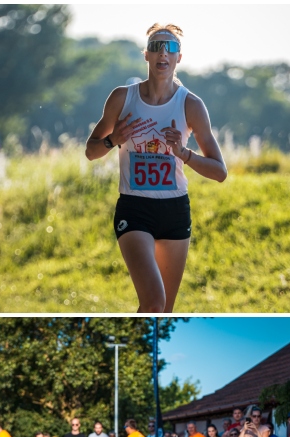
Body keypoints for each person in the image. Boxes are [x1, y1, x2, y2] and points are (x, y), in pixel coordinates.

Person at [83, 23, 227, 313]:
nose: (163, 53)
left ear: (179, 58)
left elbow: (219, 171)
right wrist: (114, 139)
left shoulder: (191, 105)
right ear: (146, 56)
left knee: (165, 311)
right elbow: (91, 151)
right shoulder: (123, 98)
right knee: (153, 302)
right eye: (156, 47)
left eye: (170, 47)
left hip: (175, 210)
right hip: (134, 209)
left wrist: (184, 154)